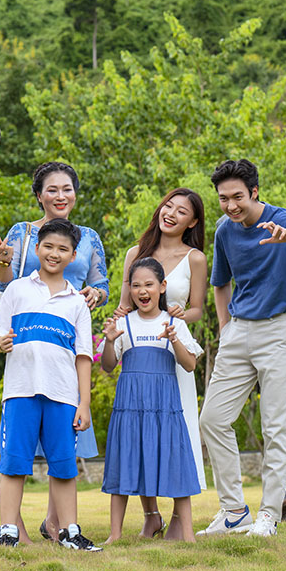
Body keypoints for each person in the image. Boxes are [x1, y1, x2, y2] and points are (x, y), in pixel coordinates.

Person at [198, 159, 286, 538]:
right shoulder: (225, 231)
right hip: (239, 333)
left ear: (254, 192)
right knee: (212, 419)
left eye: (237, 197)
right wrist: (226, 329)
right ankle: (233, 510)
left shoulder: (283, 221)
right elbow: (220, 283)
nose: (230, 206)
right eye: (223, 199)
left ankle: (268, 515)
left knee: (276, 427)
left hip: (279, 332)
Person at [0, 161, 107, 543]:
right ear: (39, 195)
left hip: (67, 343)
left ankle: (59, 526)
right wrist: (3, 263)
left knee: (62, 452)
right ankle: (12, 526)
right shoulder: (22, 235)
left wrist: (95, 293)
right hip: (26, 344)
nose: (61, 196)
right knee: (18, 450)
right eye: (52, 189)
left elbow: (100, 284)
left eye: (67, 188)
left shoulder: (87, 237)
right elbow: (2, 284)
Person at [114, 188, 209, 537]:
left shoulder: (195, 258)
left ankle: (181, 518)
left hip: (173, 352)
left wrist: (184, 313)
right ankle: (150, 514)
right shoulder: (135, 253)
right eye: (168, 206)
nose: (171, 213)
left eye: (181, 211)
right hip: (140, 355)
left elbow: (198, 307)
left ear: (192, 222)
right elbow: (126, 304)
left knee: (175, 434)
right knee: (141, 433)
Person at [101, 258, 202, 544]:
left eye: (149, 284)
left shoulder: (174, 323)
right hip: (130, 410)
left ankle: (188, 535)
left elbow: (190, 364)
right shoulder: (123, 323)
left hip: (164, 409)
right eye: (135, 285)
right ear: (129, 290)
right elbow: (108, 366)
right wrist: (109, 341)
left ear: (162, 287)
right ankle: (115, 535)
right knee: (123, 464)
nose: (142, 291)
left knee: (176, 465)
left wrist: (175, 340)